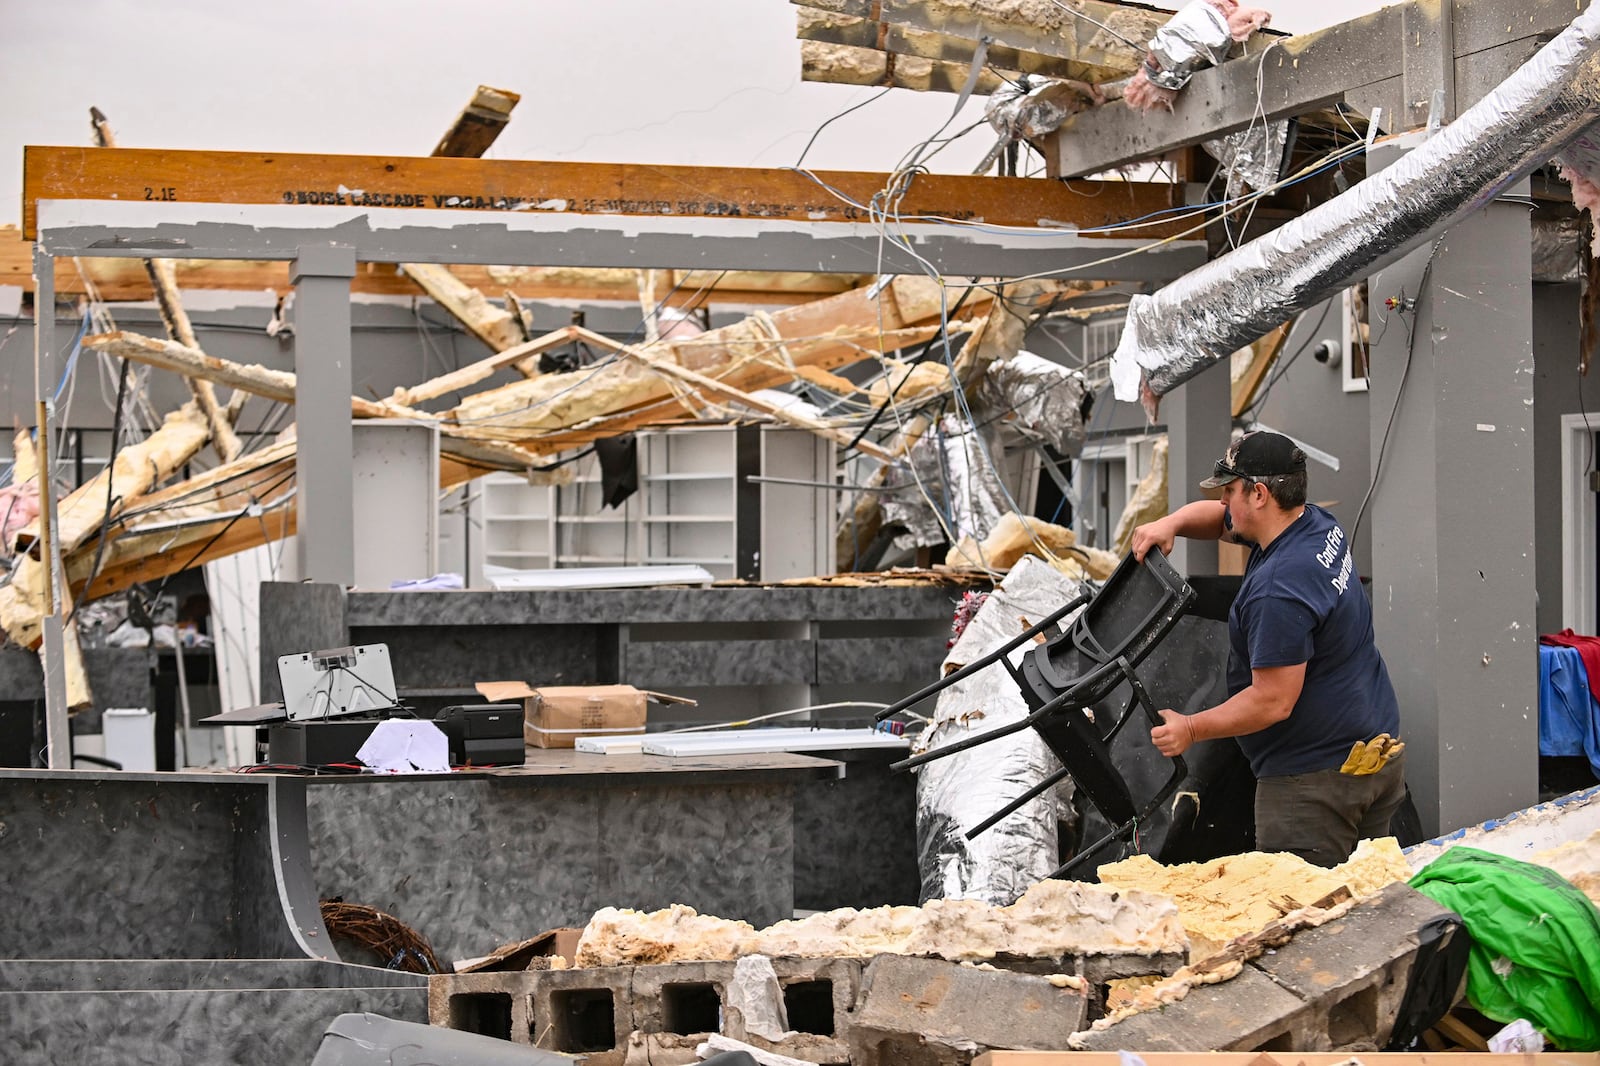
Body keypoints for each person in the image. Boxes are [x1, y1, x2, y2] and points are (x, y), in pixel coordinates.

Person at [1132, 430, 1405, 866]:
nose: (1223, 501)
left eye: (1229, 490)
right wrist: (1174, 523)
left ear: (1258, 494)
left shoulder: (1278, 590)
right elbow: (1222, 521)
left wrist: (1191, 728)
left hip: (1314, 787)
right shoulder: (1315, 525)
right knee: (1369, 901)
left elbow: (1273, 701)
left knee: (1306, 921)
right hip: (1371, 755)